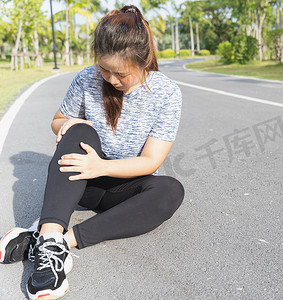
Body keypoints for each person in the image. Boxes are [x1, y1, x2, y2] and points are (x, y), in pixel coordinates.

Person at [0, 5, 184, 300]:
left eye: (120, 73)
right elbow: (57, 122)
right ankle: (48, 237)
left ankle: (60, 243)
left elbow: (151, 161)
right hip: (80, 182)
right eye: (104, 69)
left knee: (171, 190)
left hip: (121, 183)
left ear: (143, 60)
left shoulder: (167, 94)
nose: (111, 79)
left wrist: (100, 167)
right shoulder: (86, 79)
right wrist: (71, 122)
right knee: (79, 131)